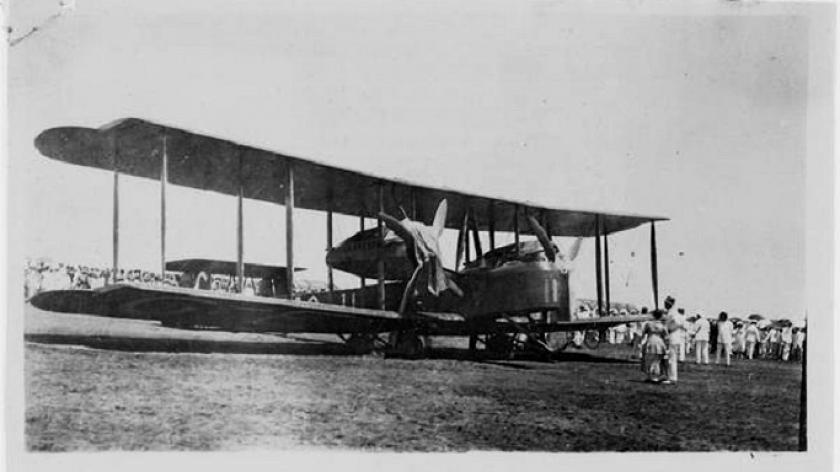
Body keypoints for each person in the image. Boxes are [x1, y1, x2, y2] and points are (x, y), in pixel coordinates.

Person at [640, 309, 669, 383]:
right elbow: (666, 336)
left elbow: (643, 333)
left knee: (649, 360)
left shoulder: (648, 324)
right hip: (660, 342)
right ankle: (656, 376)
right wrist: (666, 345)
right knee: (657, 360)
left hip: (650, 341)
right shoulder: (663, 325)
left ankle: (650, 376)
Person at [663, 296, 684, 384]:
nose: (664, 304)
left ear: (669, 304)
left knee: (671, 358)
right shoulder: (674, 312)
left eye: (665, 303)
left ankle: (672, 378)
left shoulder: (672, 313)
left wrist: (669, 330)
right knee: (671, 358)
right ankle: (671, 377)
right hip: (675, 337)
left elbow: (678, 324)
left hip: (673, 337)